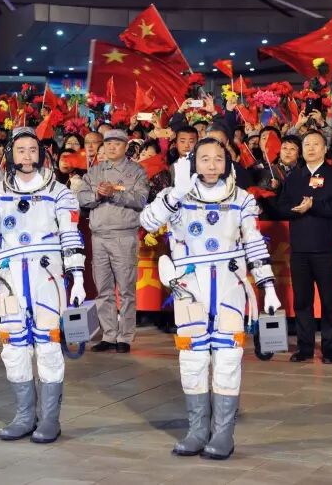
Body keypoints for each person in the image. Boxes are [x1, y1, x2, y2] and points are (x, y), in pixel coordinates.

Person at [139, 137, 281, 459]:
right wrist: (176, 192)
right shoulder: (176, 197)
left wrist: (268, 287)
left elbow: (254, 243)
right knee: (192, 360)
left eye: (219, 158)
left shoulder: (242, 199)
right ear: (193, 163)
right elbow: (147, 221)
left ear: (227, 163)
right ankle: (197, 431)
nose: (212, 164)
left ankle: (223, 434)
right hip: (190, 290)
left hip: (230, 287)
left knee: (228, 360)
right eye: (204, 158)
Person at [0, 127, 86, 444]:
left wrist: (78, 277)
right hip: (10, 279)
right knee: (13, 347)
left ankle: (50, 419)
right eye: (21, 150)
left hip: (48, 277)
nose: (27, 155)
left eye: (32, 149)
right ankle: (25, 416)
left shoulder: (60, 192)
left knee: (49, 347)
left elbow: (71, 236)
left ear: (42, 153)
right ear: (11, 154)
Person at [277, 130, 332, 364]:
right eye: (306, 144)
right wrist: (297, 209)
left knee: (329, 301)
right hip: (299, 250)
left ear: (325, 149)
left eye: (315, 144)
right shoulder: (294, 177)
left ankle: (329, 350)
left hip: (326, 249)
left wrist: (313, 205)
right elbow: (281, 206)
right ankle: (305, 348)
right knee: (302, 301)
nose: (310, 148)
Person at [77, 129, 149, 353]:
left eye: (117, 144)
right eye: (108, 144)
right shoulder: (95, 171)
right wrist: (97, 195)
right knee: (103, 289)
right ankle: (108, 334)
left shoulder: (136, 171)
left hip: (124, 236)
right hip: (98, 237)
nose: (111, 147)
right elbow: (81, 198)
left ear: (126, 147)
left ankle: (125, 337)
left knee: (126, 290)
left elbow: (141, 199)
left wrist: (114, 194)